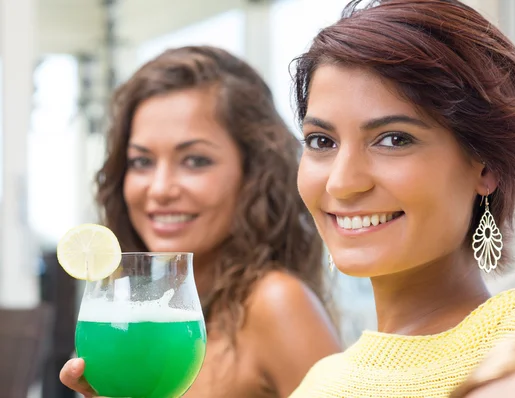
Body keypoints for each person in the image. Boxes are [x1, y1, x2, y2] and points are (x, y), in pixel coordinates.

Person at [287, 0, 515, 397]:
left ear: (486, 166)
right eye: (322, 141)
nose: (342, 183)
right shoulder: (319, 384)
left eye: (394, 139)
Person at [59, 45, 341, 397]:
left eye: (195, 161)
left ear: (253, 174)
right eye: (142, 162)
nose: (160, 189)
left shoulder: (276, 303)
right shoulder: (135, 317)